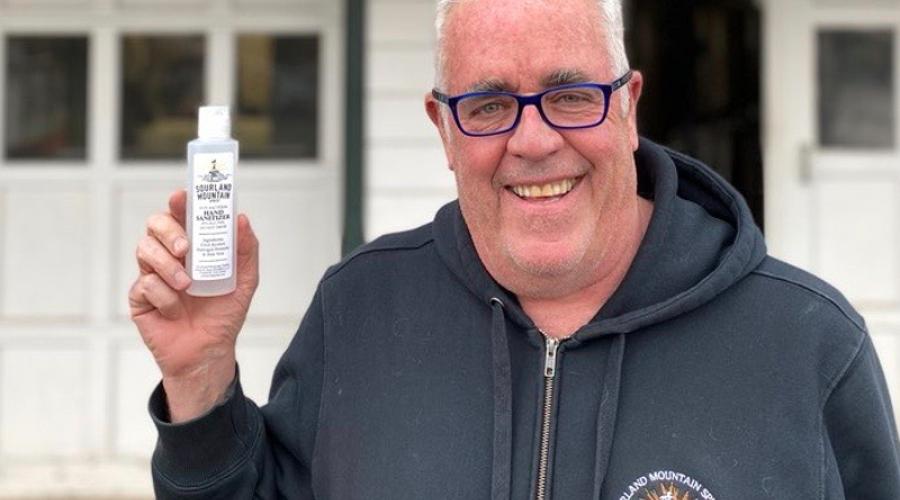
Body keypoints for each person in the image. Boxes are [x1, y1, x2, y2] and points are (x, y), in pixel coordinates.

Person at [130, 0, 900, 498]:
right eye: (490, 104)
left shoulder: (807, 347)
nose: (533, 141)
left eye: (570, 95)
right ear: (442, 128)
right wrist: (199, 383)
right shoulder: (358, 314)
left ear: (628, 107)